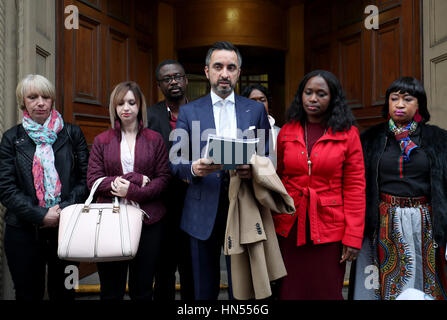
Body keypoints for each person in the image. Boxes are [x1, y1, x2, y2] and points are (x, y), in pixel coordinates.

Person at [170, 41, 271, 300]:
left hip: (243, 206)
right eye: (218, 66)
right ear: (207, 71)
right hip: (201, 208)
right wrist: (193, 168)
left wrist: (254, 170)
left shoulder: (255, 110)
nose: (224, 73)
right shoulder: (189, 111)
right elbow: (175, 161)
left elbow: (267, 156)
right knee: (203, 288)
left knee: (242, 288)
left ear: (238, 72)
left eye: (231, 67)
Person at [350, 77, 447, 300]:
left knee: (425, 280)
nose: (400, 104)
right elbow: (357, 184)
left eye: (407, 99)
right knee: (381, 284)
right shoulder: (370, 139)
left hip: (425, 222)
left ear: (419, 104)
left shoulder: (438, 139)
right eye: (394, 99)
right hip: (383, 222)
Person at [273, 70, 366, 300]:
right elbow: (279, 178)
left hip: (330, 228)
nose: (313, 99)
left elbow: (355, 187)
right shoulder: (287, 131)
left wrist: (353, 237)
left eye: (321, 94)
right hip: (290, 225)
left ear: (333, 98)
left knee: (326, 290)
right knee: (290, 291)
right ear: (301, 95)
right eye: (308, 92)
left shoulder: (348, 134)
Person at [0, 74, 89, 300]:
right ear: (23, 102)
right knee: (28, 294)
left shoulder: (72, 133)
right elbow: (6, 188)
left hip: (68, 229)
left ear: (52, 101)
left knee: (67, 292)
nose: (40, 102)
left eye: (45, 96)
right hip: (23, 231)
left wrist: (62, 211)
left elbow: (86, 179)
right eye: (33, 97)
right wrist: (41, 215)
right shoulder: (11, 138)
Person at [87, 81, 170, 300]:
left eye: (131, 103)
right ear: (114, 107)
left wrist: (131, 191)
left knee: (142, 289)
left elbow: (163, 180)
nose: (126, 108)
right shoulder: (102, 141)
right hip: (110, 222)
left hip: (149, 223)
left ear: (139, 106)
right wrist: (136, 179)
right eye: (121, 103)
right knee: (111, 289)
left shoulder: (155, 139)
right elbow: (93, 181)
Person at [148, 59, 194, 300]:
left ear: (186, 80)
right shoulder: (149, 115)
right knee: (163, 268)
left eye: (178, 76)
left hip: (194, 202)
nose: (173, 81)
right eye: (167, 78)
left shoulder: (200, 112)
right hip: (161, 203)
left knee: (191, 268)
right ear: (159, 85)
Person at [241, 84, 280, 168]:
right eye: (253, 101)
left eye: (262, 100)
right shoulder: (238, 129)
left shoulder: (280, 132)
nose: (259, 105)